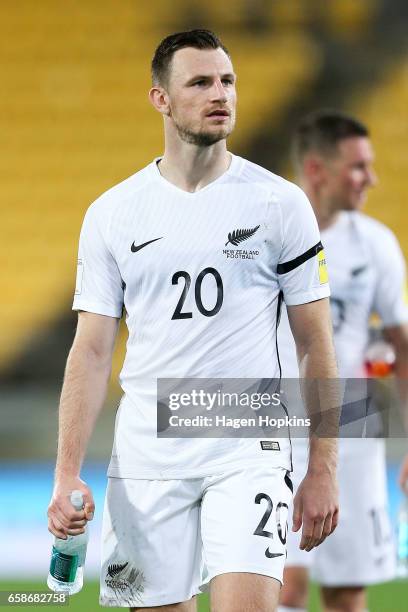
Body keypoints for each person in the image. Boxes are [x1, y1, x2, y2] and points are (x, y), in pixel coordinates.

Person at [47, 30, 340, 612]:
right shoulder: (113, 214)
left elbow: (314, 343)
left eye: (227, 81)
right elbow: (91, 351)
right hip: (147, 452)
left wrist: (323, 467)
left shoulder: (280, 204)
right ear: (160, 98)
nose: (220, 94)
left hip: (247, 445)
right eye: (200, 82)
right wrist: (66, 473)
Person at [277, 111, 408, 612]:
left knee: (347, 591)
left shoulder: (375, 244)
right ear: (317, 169)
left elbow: (400, 345)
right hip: (272, 417)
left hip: (353, 420)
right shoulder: (263, 230)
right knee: (281, 581)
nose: (371, 179)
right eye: (358, 167)